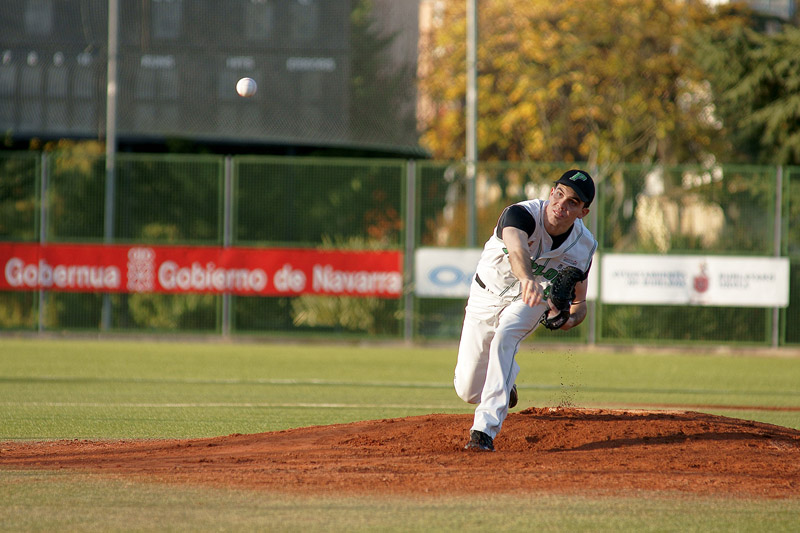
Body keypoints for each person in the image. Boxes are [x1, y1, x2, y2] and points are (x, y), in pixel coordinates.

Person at [454, 169, 597, 451]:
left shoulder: (584, 246)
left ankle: (483, 432)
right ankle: (505, 386)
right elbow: (518, 249)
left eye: (572, 202)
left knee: (505, 337)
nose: (561, 204)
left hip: (531, 300)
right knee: (468, 390)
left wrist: (568, 319)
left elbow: (580, 304)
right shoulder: (520, 214)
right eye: (559, 194)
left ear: (583, 212)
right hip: (486, 293)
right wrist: (526, 278)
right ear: (551, 192)